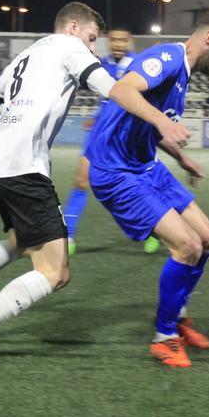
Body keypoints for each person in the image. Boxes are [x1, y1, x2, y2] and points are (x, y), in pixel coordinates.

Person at [0, 2, 118, 366]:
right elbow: (109, 86)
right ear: (73, 27)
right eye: (92, 39)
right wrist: (144, 102)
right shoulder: (69, 46)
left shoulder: (26, 55)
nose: (93, 48)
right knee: (55, 272)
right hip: (25, 169)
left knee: (21, 242)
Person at [86, 7, 209, 367]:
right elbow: (123, 91)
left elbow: (147, 125)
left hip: (146, 166)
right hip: (115, 172)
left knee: (207, 238)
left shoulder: (183, 73)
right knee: (186, 245)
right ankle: (164, 337)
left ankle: (178, 317)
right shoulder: (167, 57)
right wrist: (163, 122)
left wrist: (180, 157)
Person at [61, 28, 160, 256]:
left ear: (130, 41)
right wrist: (95, 119)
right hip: (100, 132)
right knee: (81, 181)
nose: (117, 44)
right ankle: (69, 236)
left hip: (129, 135)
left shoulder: (141, 64)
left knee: (142, 185)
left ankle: (154, 232)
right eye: (113, 39)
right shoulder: (101, 64)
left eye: (122, 40)